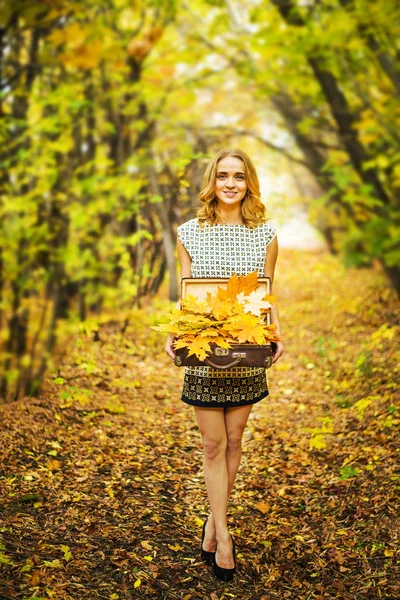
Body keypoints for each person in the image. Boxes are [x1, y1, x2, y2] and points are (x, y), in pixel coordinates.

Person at [165, 148, 283, 582]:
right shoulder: (189, 232)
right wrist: (173, 333)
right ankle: (225, 534)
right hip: (202, 346)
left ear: (248, 182)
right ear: (211, 182)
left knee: (235, 440)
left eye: (238, 176)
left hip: (247, 348)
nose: (230, 183)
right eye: (222, 176)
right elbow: (185, 291)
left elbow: (266, 293)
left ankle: (213, 523)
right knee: (213, 445)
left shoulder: (265, 235)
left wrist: (276, 333)